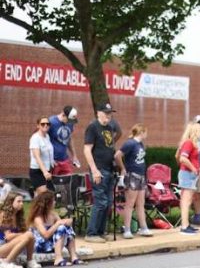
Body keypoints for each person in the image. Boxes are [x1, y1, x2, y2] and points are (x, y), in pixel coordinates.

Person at [83, 103, 118, 244]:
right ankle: (91, 233)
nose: (108, 117)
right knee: (100, 202)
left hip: (109, 169)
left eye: (110, 114)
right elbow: (87, 150)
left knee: (108, 202)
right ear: (98, 113)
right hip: (99, 169)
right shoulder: (93, 127)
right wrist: (94, 170)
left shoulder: (109, 128)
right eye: (105, 113)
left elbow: (110, 147)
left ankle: (101, 231)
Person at [115, 124, 153, 239]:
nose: (146, 134)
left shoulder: (140, 144)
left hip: (141, 175)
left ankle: (143, 227)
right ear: (141, 132)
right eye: (145, 132)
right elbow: (117, 155)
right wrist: (123, 168)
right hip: (132, 175)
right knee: (130, 203)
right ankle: (127, 229)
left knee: (140, 203)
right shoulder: (130, 143)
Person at [28, 191, 83, 266]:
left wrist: (67, 222)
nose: (55, 202)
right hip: (41, 245)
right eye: (53, 201)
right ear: (47, 203)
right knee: (61, 227)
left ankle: (73, 256)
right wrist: (58, 223)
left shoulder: (53, 214)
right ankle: (58, 258)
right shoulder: (38, 218)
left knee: (66, 227)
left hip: (52, 244)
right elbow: (45, 235)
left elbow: (62, 227)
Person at [0, 193, 41, 268]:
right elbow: (8, 237)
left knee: (30, 235)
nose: (22, 203)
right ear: (11, 202)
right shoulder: (4, 215)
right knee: (28, 235)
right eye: (18, 201)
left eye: (22, 201)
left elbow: (26, 234)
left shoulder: (18, 216)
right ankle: (6, 262)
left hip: (11, 245)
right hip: (2, 246)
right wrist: (22, 234)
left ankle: (30, 261)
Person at [176, 122, 200, 235]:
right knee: (186, 201)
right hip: (187, 174)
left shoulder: (191, 143)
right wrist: (193, 168)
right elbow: (183, 158)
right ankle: (184, 226)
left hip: (190, 175)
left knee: (187, 200)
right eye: (199, 130)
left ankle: (186, 224)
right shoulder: (189, 143)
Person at [49, 105, 81, 177]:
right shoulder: (51, 122)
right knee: (52, 185)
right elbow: (44, 140)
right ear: (63, 115)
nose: (69, 122)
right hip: (53, 161)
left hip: (64, 159)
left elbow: (69, 139)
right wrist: (49, 159)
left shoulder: (70, 123)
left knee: (68, 182)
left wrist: (74, 156)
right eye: (68, 120)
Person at [29, 115, 55, 196]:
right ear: (38, 125)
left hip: (47, 170)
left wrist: (52, 161)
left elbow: (48, 151)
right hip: (38, 171)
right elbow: (37, 157)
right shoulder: (35, 138)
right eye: (43, 124)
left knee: (51, 195)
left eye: (48, 124)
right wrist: (45, 172)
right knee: (44, 196)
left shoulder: (47, 136)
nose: (46, 125)